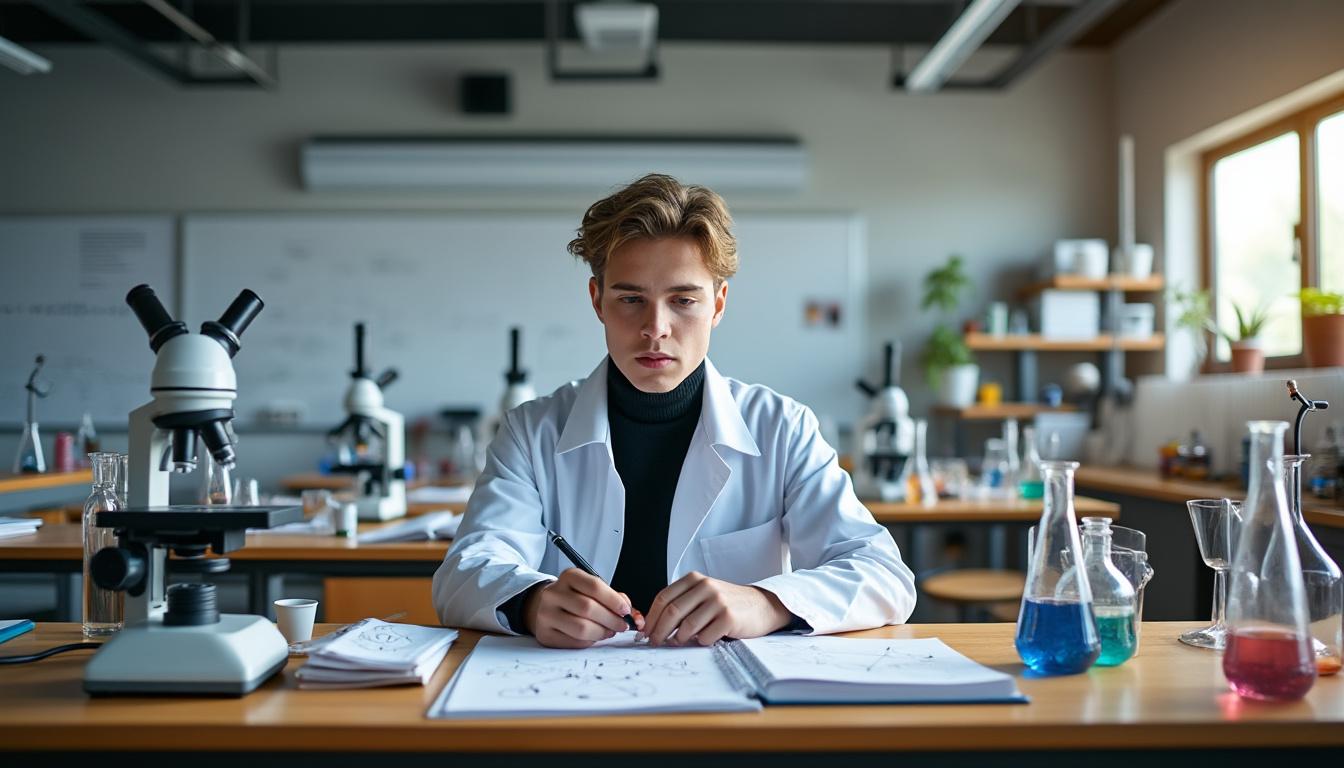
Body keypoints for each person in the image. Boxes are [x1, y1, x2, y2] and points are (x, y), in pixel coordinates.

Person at [433, 173, 915, 648]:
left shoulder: (781, 428)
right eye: (630, 299)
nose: (655, 328)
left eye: (683, 300)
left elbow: (883, 575)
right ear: (598, 300)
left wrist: (763, 603)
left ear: (718, 304)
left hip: (730, 700)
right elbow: (462, 572)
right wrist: (533, 602)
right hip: (571, 695)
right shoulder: (532, 431)